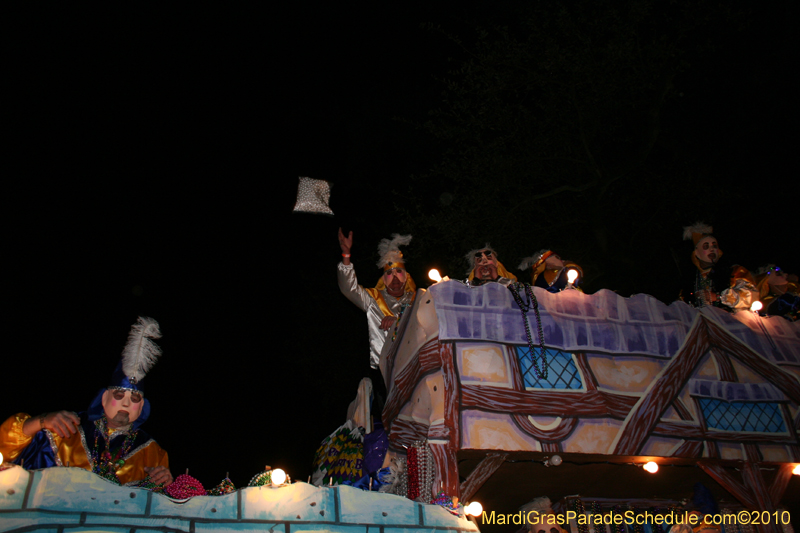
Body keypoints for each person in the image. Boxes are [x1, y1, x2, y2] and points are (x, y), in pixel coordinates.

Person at [0, 317, 173, 487]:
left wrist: (165, 482)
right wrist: (41, 421)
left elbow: (159, 501)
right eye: (119, 395)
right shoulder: (67, 426)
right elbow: (6, 447)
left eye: (134, 399)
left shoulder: (151, 451)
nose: (126, 404)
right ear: (104, 399)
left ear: (142, 406)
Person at [337, 229, 417, 371]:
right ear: (383, 280)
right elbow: (348, 288)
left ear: (406, 277)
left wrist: (397, 321)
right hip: (386, 371)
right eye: (389, 273)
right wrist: (346, 255)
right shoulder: (374, 299)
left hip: (415, 365)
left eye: (399, 271)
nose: (395, 277)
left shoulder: (418, 300)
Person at [680, 222, 756, 310]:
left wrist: (719, 297)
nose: (711, 249)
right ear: (696, 253)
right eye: (706, 247)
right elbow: (681, 304)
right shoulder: (691, 278)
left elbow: (751, 296)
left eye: (714, 246)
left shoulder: (735, 271)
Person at [518, 249, 583, 292]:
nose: (558, 260)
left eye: (557, 258)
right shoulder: (543, 277)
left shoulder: (567, 269)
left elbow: (577, 277)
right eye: (554, 258)